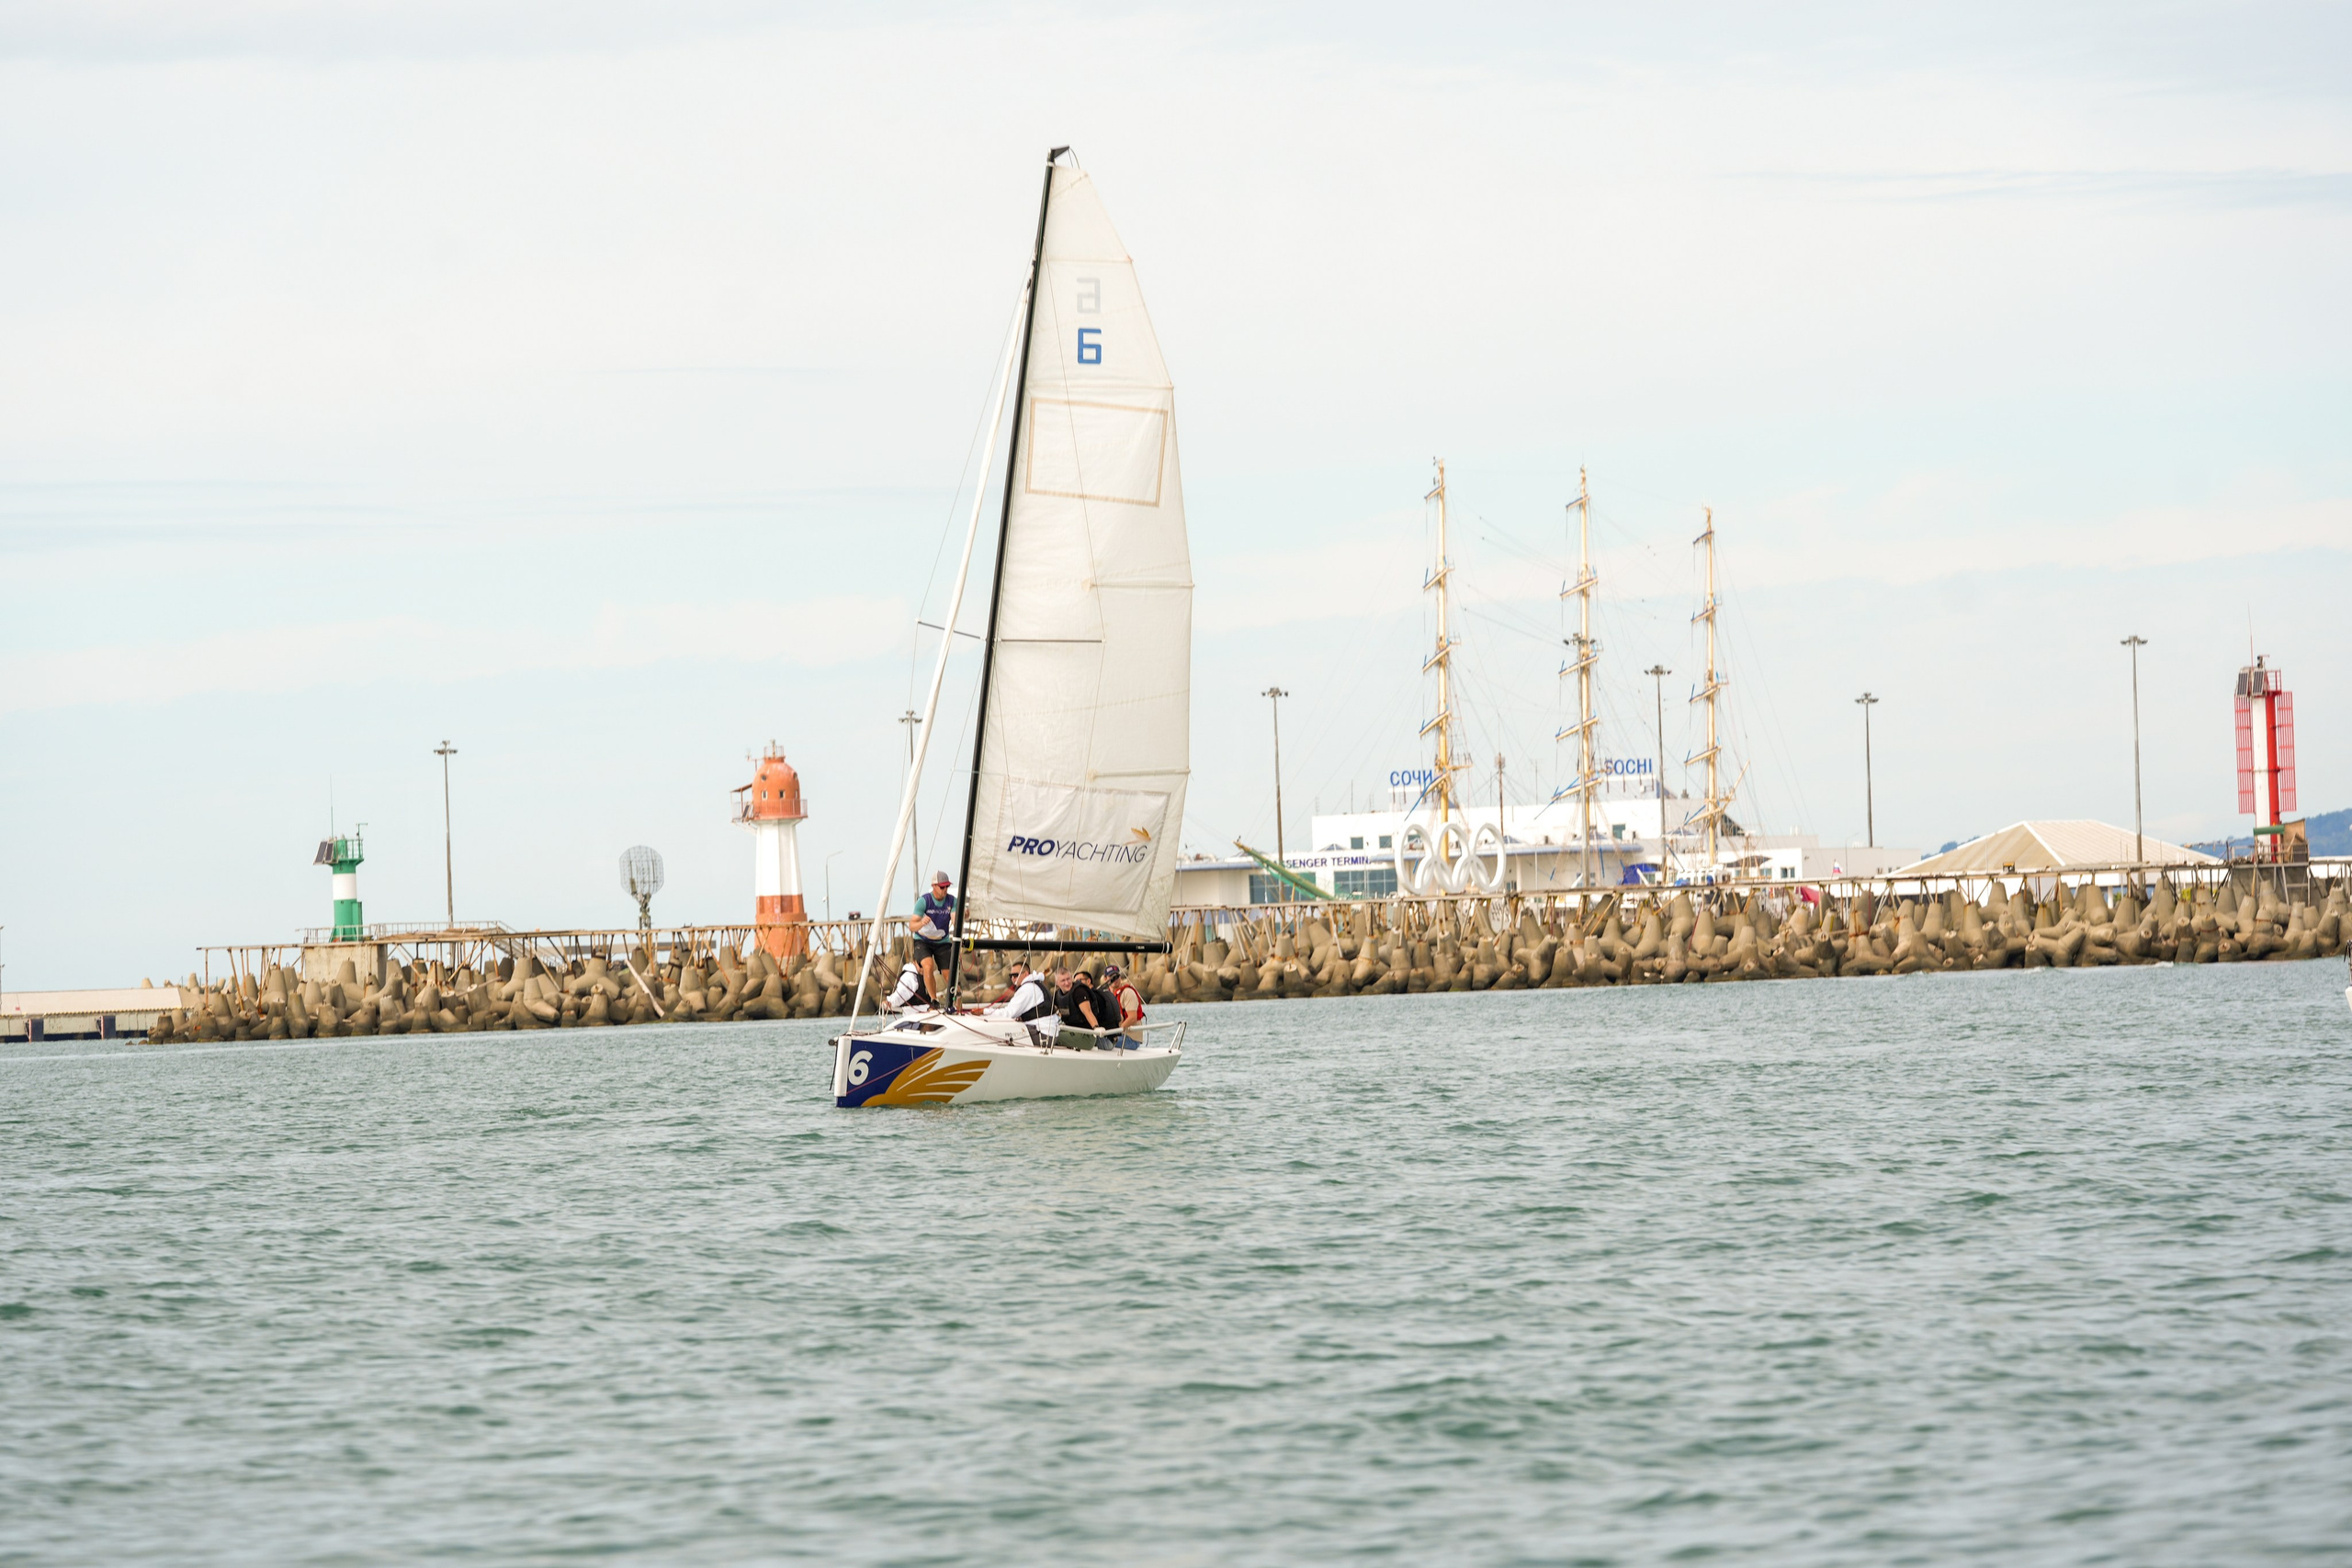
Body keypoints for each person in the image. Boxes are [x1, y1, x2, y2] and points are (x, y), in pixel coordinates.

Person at [982, 960, 1057, 1041]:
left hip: (1043, 1036)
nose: (1013, 978)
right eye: (1011, 976)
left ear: (1026, 974)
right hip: (1049, 1033)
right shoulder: (1036, 984)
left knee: (1001, 1033)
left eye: (1015, 975)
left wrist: (984, 1011)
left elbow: (1009, 1013)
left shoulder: (1027, 988)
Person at [910, 872, 956, 1003]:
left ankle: (957, 1005)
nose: (945, 890)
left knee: (949, 976)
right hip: (923, 941)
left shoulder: (952, 901)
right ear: (934, 886)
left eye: (947, 886)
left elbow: (955, 919)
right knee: (928, 966)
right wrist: (921, 923)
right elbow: (912, 926)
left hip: (942, 942)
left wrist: (963, 916)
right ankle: (933, 1000)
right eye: (942, 887)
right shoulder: (924, 901)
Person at [1054, 965, 1108, 1038]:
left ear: (1072, 978)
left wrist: (1096, 1027)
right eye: (1063, 981)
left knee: (1056, 1037)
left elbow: (1087, 1011)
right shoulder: (1057, 995)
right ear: (1057, 983)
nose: (1067, 983)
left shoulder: (1079, 992)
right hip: (1070, 1030)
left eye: (1068, 979)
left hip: (1086, 1033)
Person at [1100, 962, 1145, 1044]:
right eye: (1111, 977)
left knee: (1102, 1042)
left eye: (1116, 976)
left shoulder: (1128, 993)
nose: (1115, 979)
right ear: (1105, 979)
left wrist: (1116, 1032)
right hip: (1117, 1035)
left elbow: (1132, 1018)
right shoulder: (1106, 994)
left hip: (1130, 1038)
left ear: (1120, 977)